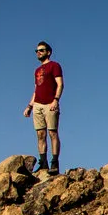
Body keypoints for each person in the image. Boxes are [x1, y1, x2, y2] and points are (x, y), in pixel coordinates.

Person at [23, 41, 64, 174]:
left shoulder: (54, 66)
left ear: (48, 52)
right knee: (40, 134)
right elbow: (36, 89)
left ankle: (54, 162)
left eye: (41, 50)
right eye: (37, 51)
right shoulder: (37, 71)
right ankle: (43, 163)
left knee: (52, 133)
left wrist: (56, 100)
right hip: (38, 105)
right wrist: (29, 106)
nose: (38, 52)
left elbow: (60, 84)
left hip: (50, 104)